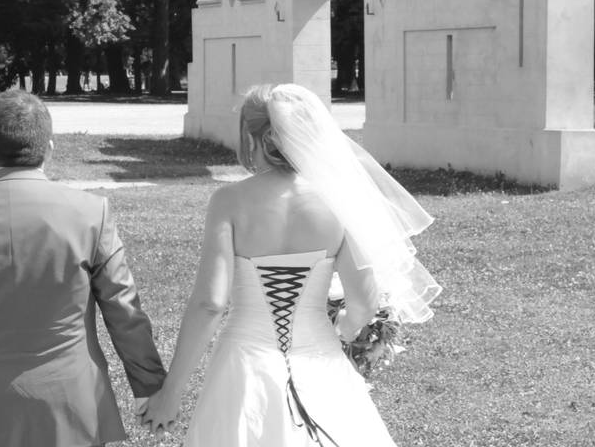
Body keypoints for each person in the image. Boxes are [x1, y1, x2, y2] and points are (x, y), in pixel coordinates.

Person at [140, 83, 441, 445]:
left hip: (245, 362)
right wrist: (342, 328)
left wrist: (171, 392)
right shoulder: (339, 203)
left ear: (255, 138)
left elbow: (210, 303)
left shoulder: (230, 201)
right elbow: (363, 301)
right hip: (320, 360)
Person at [0, 89, 166, 446]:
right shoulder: (90, 214)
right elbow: (124, 309)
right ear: (50, 149)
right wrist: (150, 386)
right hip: (72, 404)